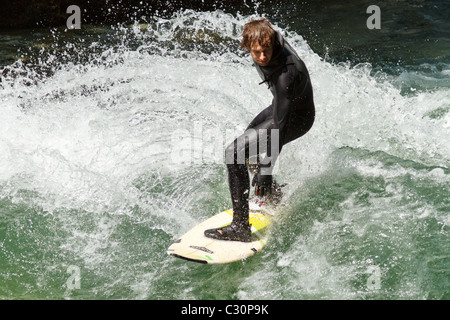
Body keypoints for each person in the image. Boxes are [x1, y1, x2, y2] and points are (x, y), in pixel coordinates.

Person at [204, 18, 315, 242]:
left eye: (267, 51)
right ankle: (272, 194)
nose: (263, 57)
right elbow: (261, 28)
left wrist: (266, 169)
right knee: (246, 145)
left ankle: (240, 227)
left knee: (234, 153)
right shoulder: (262, 38)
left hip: (296, 118)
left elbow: (280, 128)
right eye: (256, 52)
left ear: (273, 44)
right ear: (247, 46)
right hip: (282, 106)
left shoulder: (287, 75)